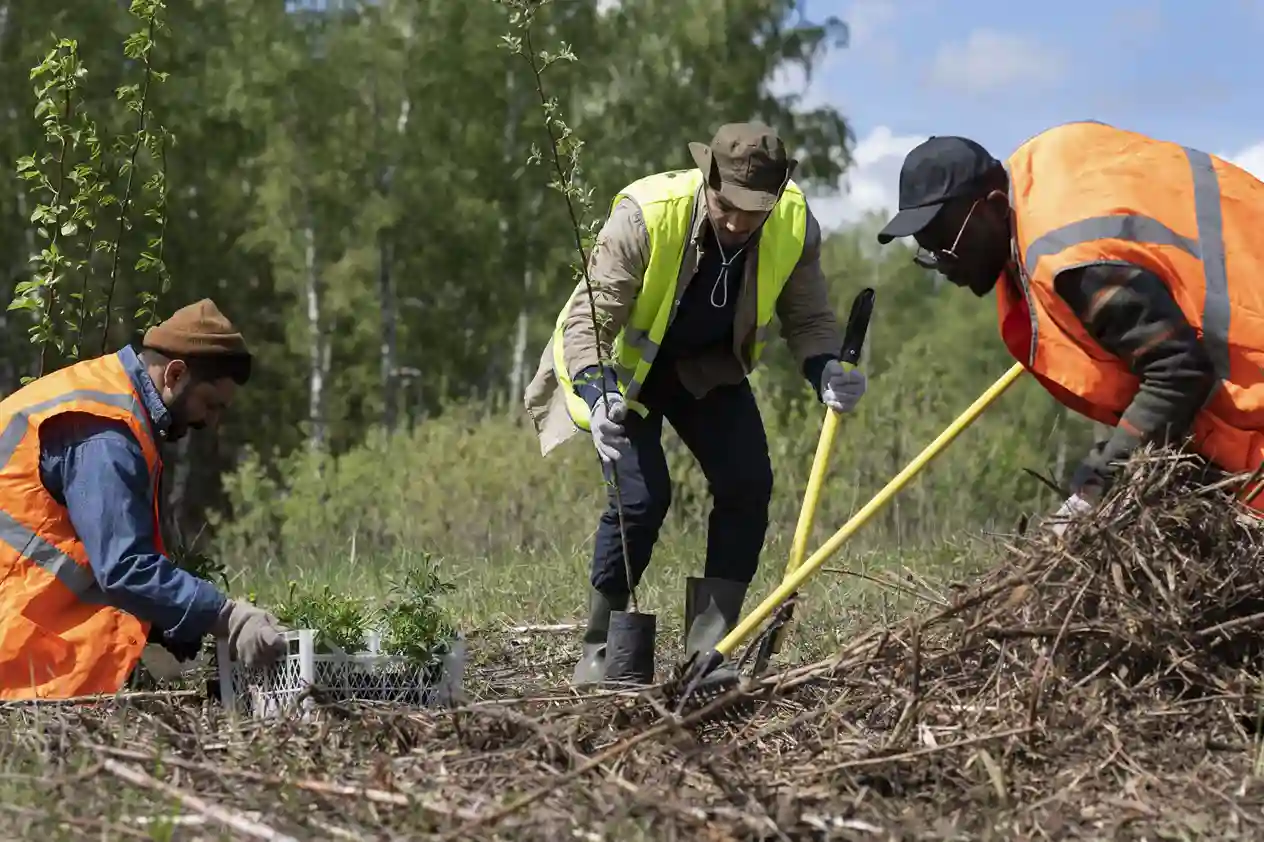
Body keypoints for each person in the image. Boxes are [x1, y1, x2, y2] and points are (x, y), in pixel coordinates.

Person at [524, 122, 869, 683]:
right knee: (641, 499)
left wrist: (824, 367)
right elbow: (588, 319)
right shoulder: (645, 214)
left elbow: (808, 317)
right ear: (707, 176)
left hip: (707, 372)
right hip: (624, 377)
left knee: (747, 483)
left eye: (753, 211)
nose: (736, 222)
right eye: (726, 204)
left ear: (777, 197)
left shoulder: (794, 224)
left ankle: (707, 653)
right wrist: (597, 392)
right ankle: (601, 653)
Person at [874, 120, 1264, 530]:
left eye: (946, 242)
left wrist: (1096, 486)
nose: (943, 264)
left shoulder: (1072, 259)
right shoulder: (1042, 176)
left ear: (991, 205)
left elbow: (1178, 372)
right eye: (927, 249)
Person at [0, 299, 289, 700]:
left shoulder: (108, 401)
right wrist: (226, 616)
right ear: (175, 373)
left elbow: (69, 552)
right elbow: (123, 567)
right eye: (210, 404)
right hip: (16, 648)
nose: (210, 421)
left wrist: (165, 623)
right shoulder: (104, 431)